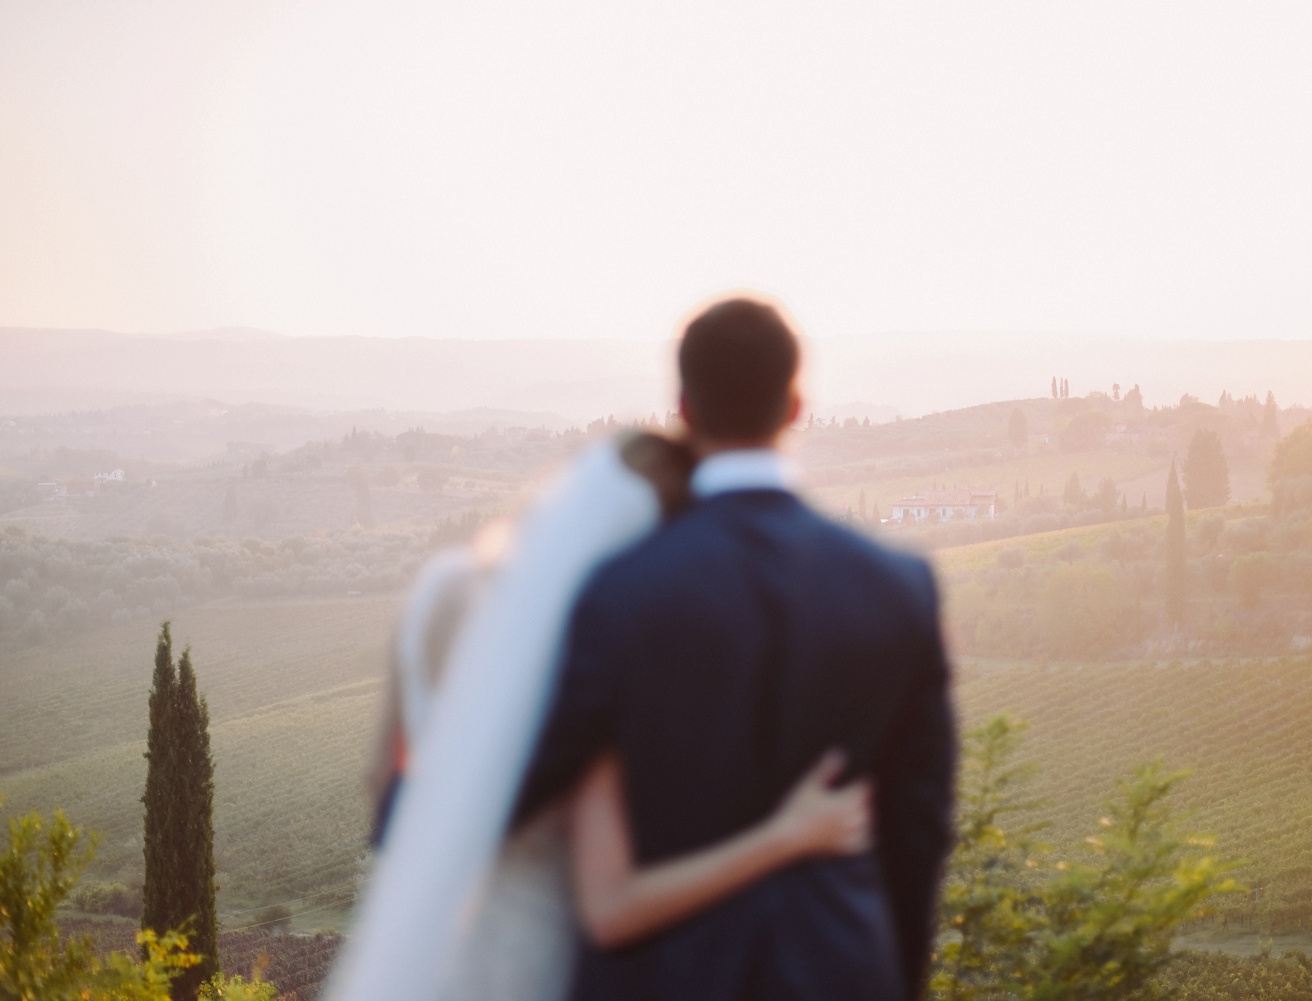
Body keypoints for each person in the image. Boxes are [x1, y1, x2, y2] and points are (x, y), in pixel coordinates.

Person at [329, 423, 886, 1001]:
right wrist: (788, 834)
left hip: (421, 946)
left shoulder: (441, 587)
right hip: (533, 961)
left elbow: (382, 782)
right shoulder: (586, 662)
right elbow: (613, 904)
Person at [516, 297, 956, 1001]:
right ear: (796, 404)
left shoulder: (619, 593)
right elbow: (918, 828)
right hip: (842, 969)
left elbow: (532, 785)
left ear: (684, 408)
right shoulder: (898, 587)